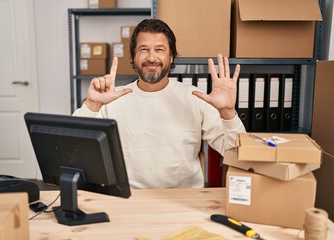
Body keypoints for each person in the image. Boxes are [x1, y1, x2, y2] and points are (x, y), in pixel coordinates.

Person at [73, 19, 246, 189]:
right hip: (129, 200)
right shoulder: (111, 100)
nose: (151, 57)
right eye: (143, 49)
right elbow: (74, 148)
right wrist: (92, 105)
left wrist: (227, 112)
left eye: (159, 50)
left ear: (171, 57)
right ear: (133, 55)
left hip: (185, 200)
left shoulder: (194, 97)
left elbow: (236, 154)